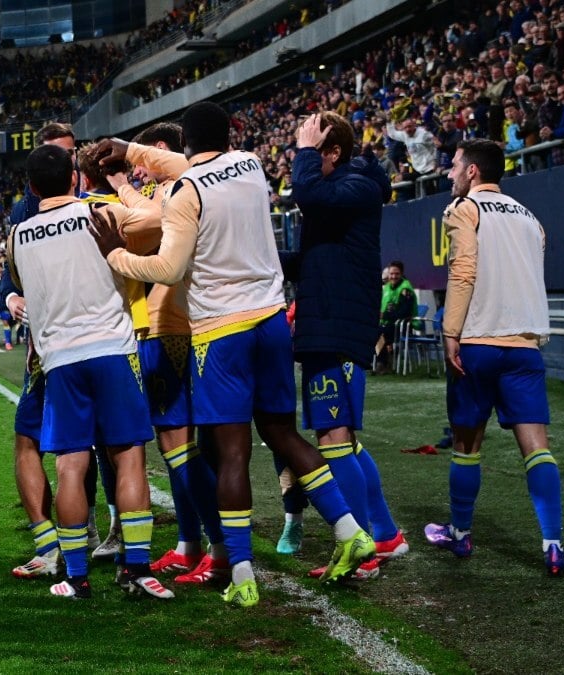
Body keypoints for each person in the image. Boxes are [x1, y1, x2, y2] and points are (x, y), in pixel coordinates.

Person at [90, 102, 374, 608]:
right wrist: (130, 152)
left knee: (232, 451)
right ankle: (350, 530)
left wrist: (116, 254)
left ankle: (240, 572)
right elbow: (189, 167)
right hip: (270, 320)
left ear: (185, 144)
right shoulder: (250, 164)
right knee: (283, 433)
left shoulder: (184, 192)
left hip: (222, 333)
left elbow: (171, 268)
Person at [9, 143, 172, 601]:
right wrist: (123, 189)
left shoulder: (16, 236)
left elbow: (24, 286)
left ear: (33, 186)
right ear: (76, 179)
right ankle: (137, 570)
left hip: (59, 359)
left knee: (70, 466)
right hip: (113, 350)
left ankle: (76, 577)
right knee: (129, 457)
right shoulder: (102, 214)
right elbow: (162, 221)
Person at [424, 138, 564, 577]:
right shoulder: (530, 218)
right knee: (538, 450)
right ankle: (552, 545)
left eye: (454, 165)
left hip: (478, 344)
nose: (449, 173)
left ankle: (460, 534)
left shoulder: (463, 209)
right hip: (524, 346)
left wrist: (450, 331)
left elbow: (464, 270)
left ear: (472, 171)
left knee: (468, 446)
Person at [93, 124, 227, 585]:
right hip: (166, 325)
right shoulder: (179, 188)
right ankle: (191, 543)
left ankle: (220, 546)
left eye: (140, 159)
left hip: (168, 326)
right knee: (178, 450)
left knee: (179, 445)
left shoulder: (177, 187)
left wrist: (121, 185)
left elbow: (151, 219)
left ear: (161, 153)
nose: (133, 169)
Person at [282, 112, 410, 581]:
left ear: (331, 152)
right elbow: (316, 259)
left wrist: (305, 156)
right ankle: (386, 535)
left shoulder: (357, 184)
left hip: (337, 324)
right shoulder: (343, 193)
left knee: (334, 438)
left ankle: (362, 552)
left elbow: (309, 193)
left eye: (311, 147)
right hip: (328, 320)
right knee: (346, 441)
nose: (300, 157)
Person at [377, 261, 417, 374]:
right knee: (374, 331)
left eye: (397, 273)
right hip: (388, 324)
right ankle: (385, 359)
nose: (393, 276)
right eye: (391, 274)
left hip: (403, 325)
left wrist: (383, 315)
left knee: (379, 332)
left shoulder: (405, 289)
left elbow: (403, 313)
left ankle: (383, 363)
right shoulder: (387, 288)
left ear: (402, 274)